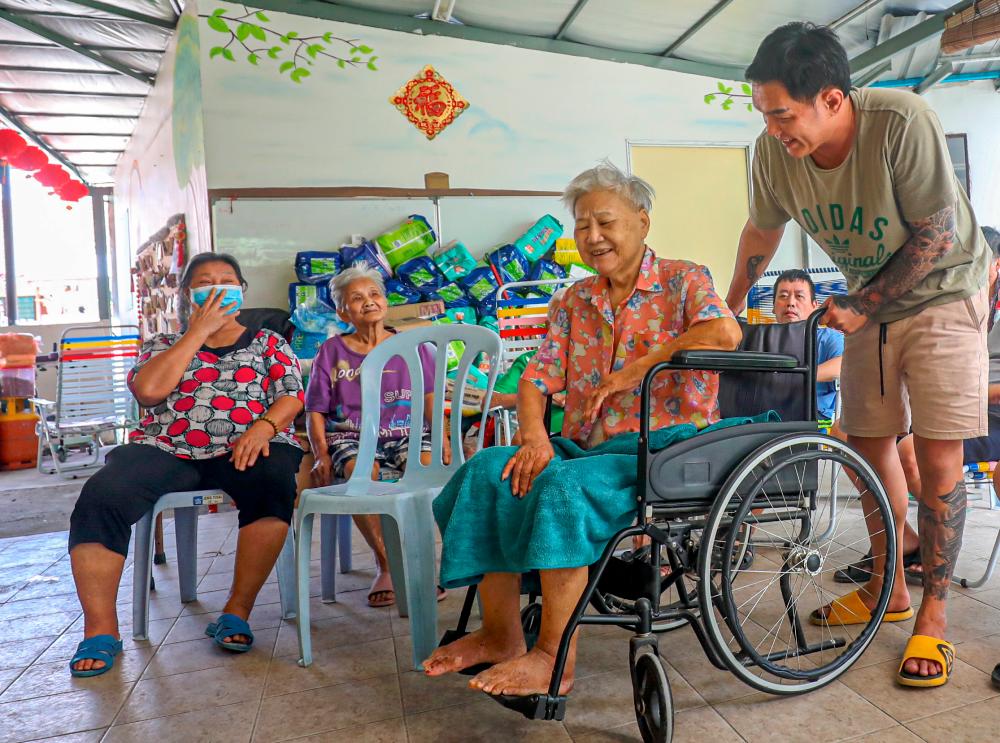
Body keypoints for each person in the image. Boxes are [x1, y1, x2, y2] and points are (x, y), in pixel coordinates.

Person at [726, 22, 989, 687]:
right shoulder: (773, 153)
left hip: (944, 292)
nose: (775, 129)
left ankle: (933, 615)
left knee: (935, 451)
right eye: (764, 114)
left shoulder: (901, 119)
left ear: (834, 100)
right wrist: (728, 304)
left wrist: (865, 305)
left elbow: (936, 231)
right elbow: (762, 226)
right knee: (866, 442)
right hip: (871, 298)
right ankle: (887, 588)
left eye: (784, 114)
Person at [424, 161, 741, 696]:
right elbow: (535, 380)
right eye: (582, 225)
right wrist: (534, 437)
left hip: (662, 449)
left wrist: (638, 368)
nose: (592, 237)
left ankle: (553, 657)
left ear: (642, 222)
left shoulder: (684, 278)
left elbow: (724, 331)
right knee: (486, 472)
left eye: (605, 222)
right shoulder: (574, 299)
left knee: (561, 487)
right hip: (589, 448)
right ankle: (501, 634)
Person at [67, 253, 305, 676]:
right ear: (188, 295)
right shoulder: (162, 344)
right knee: (103, 495)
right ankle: (101, 629)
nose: (217, 287)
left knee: (273, 481)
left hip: (245, 445)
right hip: (167, 447)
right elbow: (149, 392)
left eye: (227, 280)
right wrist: (197, 333)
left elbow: (291, 396)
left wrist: (265, 427)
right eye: (205, 282)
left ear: (242, 290)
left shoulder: (270, 342)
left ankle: (236, 612)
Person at [305, 264, 449, 608]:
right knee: (359, 473)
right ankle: (387, 563)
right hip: (351, 436)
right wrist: (321, 453)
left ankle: (417, 562)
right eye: (357, 298)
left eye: (374, 294)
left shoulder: (410, 346)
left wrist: (442, 439)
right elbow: (314, 409)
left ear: (385, 301)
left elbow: (430, 398)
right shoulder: (331, 352)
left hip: (406, 432)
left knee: (428, 471)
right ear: (342, 311)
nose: (368, 302)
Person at [771, 268, 843, 421]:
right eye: (783, 296)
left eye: (799, 296)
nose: (790, 303)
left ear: (814, 306)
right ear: (773, 307)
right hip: (765, 413)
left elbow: (845, 364)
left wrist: (798, 375)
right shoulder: (762, 339)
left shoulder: (828, 338)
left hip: (810, 416)